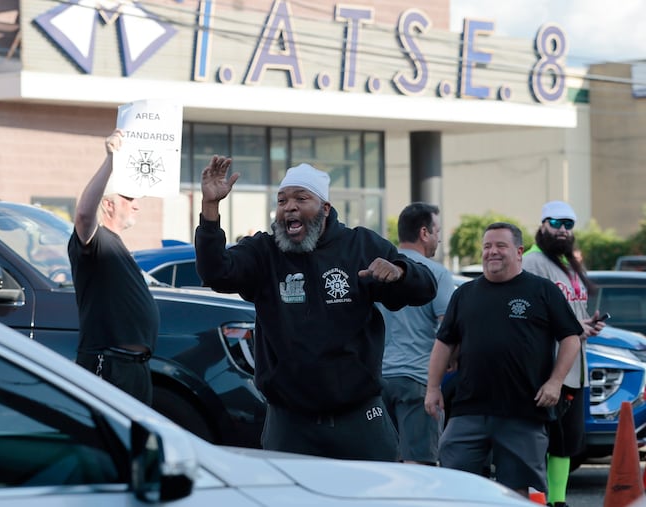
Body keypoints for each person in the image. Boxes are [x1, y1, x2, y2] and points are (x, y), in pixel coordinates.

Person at [195, 158, 437, 461]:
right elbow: (215, 272)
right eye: (282, 201)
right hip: (289, 423)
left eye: (301, 198)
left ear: (324, 208)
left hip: (359, 417)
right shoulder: (264, 252)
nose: (289, 207)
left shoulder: (359, 245)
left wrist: (401, 272)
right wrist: (210, 208)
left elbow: (426, 288)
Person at [424, 222, 583, 498]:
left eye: (500, 246)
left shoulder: (542, 291)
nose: (492, 252)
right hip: (469, 410)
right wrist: (433, 387)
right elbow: (444, 342)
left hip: (523, 410)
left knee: (516, 492)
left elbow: (571, 338)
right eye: (487, 246)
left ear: (519, 251)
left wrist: (556, 382)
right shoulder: (465, 294)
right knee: (457, 481)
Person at [523, 201, 606, 507]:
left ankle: (557, 501)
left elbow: (574, 312)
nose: (561, 230)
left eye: (568, 225)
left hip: (574, 368)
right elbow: (528, 317)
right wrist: (573, 327)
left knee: (565, 443)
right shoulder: (532, 262)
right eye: (556, 223)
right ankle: (536, 499)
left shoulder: (568, 264)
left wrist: (588, 325)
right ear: (542, 224)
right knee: (538, 441)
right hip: (547, 369)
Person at [68, 129, 159, 405]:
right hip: (108, 366)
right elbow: (84, 215)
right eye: (128, 198)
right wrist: (111, 160)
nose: (136, 206)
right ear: (108, 204)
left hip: (132, 368)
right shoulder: (95, 242)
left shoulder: (114, 243)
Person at [379, 202, 454, 464]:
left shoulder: (381, 269)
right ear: (424, 233)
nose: (439, 239)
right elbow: (449, 329)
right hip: (418, 381)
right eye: (437, 231)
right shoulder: (437, 274)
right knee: (420, 468)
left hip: (377, 381)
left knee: (382, 467)